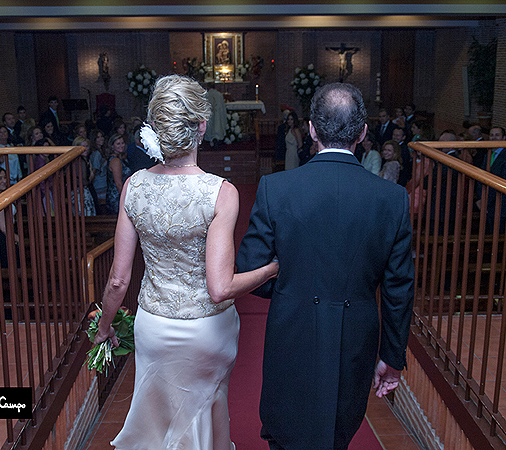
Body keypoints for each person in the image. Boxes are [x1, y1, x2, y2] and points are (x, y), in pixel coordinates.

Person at [94, 74, 278, 450]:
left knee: (158, 423)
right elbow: (221, 287)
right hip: (207, 331)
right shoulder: (220, 193)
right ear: (202, 127)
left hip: (154, 328)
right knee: (208, 410)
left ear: (156, 127)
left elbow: (118, 280)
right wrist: (273, 268)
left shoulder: (134, 186)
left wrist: (104, 328)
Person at [236, 82, 414, 450]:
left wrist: (289, 285)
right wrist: (392, 357)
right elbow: (399, 289)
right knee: (338, 434)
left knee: (285, 433)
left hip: (292, 330)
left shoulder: (275, 188)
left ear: (312, 130)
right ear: (363, 133)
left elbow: (250, 270)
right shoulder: (392, 199)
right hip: (356, 335)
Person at [103, 133, 132, 215]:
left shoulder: (120, 159)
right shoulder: (115, 161)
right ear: (112, 146)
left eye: (122, 143)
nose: (121, 145)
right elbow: (118, 184)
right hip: (117, 198)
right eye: (118, 143)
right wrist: (126, 200)